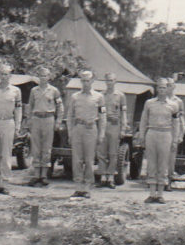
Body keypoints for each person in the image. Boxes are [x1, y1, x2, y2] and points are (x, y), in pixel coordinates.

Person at [136, 77, 181, 203]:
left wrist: (175, 140)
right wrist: (142, 135)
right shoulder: (149, 103)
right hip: (152, 132)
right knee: (151, 164)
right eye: (159, 87)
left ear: (168, 89)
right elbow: (144, 119)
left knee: (163, 164)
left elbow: (176, 123)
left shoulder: (174, 105)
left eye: (164, 87)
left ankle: (160, 194)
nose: (162, 90)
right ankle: (151, 193)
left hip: (166, 134)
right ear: (157, 89)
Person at [66, 69, 104, 199]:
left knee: (89, 160)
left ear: (92, 81)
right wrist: (70, 133)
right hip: (78, 128)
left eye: (88, 80)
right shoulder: (75, 97)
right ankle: (78, 187)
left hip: (91, 129)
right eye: (83, 80)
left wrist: (101, 133)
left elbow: (102, 116)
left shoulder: (99, 97)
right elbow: (70, 115)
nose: (86, 83)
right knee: (77, 160)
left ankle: (87, 187)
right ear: (81, 81)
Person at [0, 63, 22, 194]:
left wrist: (18, 126)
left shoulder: (16, 91)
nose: (4, 76)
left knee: (6, 154)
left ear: (10, 76)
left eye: (6, 74)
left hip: (8, 122)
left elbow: (18, 110)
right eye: (2, 74)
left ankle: (5, 183)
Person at [26, 67, 63, 187]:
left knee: (46, 147)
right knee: (36, 147)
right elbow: (30, 106)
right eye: (41, 75)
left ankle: (44, 175)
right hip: (37, 119)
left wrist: (58, 121)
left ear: (49, 77)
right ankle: (36, 175)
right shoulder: (34, 91)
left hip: (48, 118)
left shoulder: (54, 91)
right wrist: (29, 120)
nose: (43, 78)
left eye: (45, 75)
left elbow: (60, 107)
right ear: (38, 77)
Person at [96, 72, 125, 188]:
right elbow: (97, 111)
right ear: (105, 82)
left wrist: (123, 128)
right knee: (101, 152)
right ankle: (103, 177)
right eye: (107, 81)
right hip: (103, 124)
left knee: (113, 153)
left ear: (115, 82)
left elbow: (123, 113)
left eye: (112, 80)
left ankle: (111, 177)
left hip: (114, 125)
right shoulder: (100, 95)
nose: (109, 83)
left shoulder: (120, 96)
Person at [163, 77, 184, 191]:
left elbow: (180, 120)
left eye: (170, 85)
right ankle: (158, 180)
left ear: (174, 86)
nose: (168, 87)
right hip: (162, 130)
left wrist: (180, 134)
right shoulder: (159, 99)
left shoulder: (178, 101)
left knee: (171, 158)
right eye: (167, 85)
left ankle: (169, 180)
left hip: (172, 131)